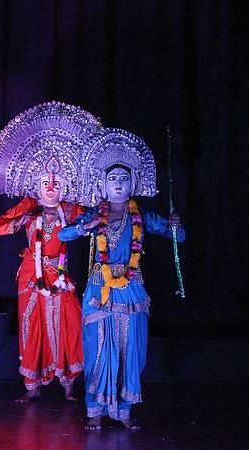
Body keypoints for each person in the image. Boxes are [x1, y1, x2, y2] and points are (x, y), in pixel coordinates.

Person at [58, 128, 185, 430]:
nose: (118, 184)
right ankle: (94, 410)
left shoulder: (141, 216)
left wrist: (175, 226)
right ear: (101, 184)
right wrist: (85, 225)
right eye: (112, 179)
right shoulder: (93, 214)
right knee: (98, 348)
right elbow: (63, 234)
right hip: (99, 290)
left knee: (131, 350)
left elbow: (178, 236)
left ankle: (124, 410)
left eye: (123, 178)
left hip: (131, 290)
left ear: (133, 184)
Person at [0, 102, 99, 402]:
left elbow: (93, 218)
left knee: (69, 323)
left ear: (64, 186)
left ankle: (67, 383)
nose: (50, 187)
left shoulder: (70, 209)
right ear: (36, 184)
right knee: (31, 325)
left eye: (55, 183)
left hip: (59, 273)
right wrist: (19, 220)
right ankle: (32, 386)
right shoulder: (28, 205)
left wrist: (89, 223)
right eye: (45, 183)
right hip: (30, 275)